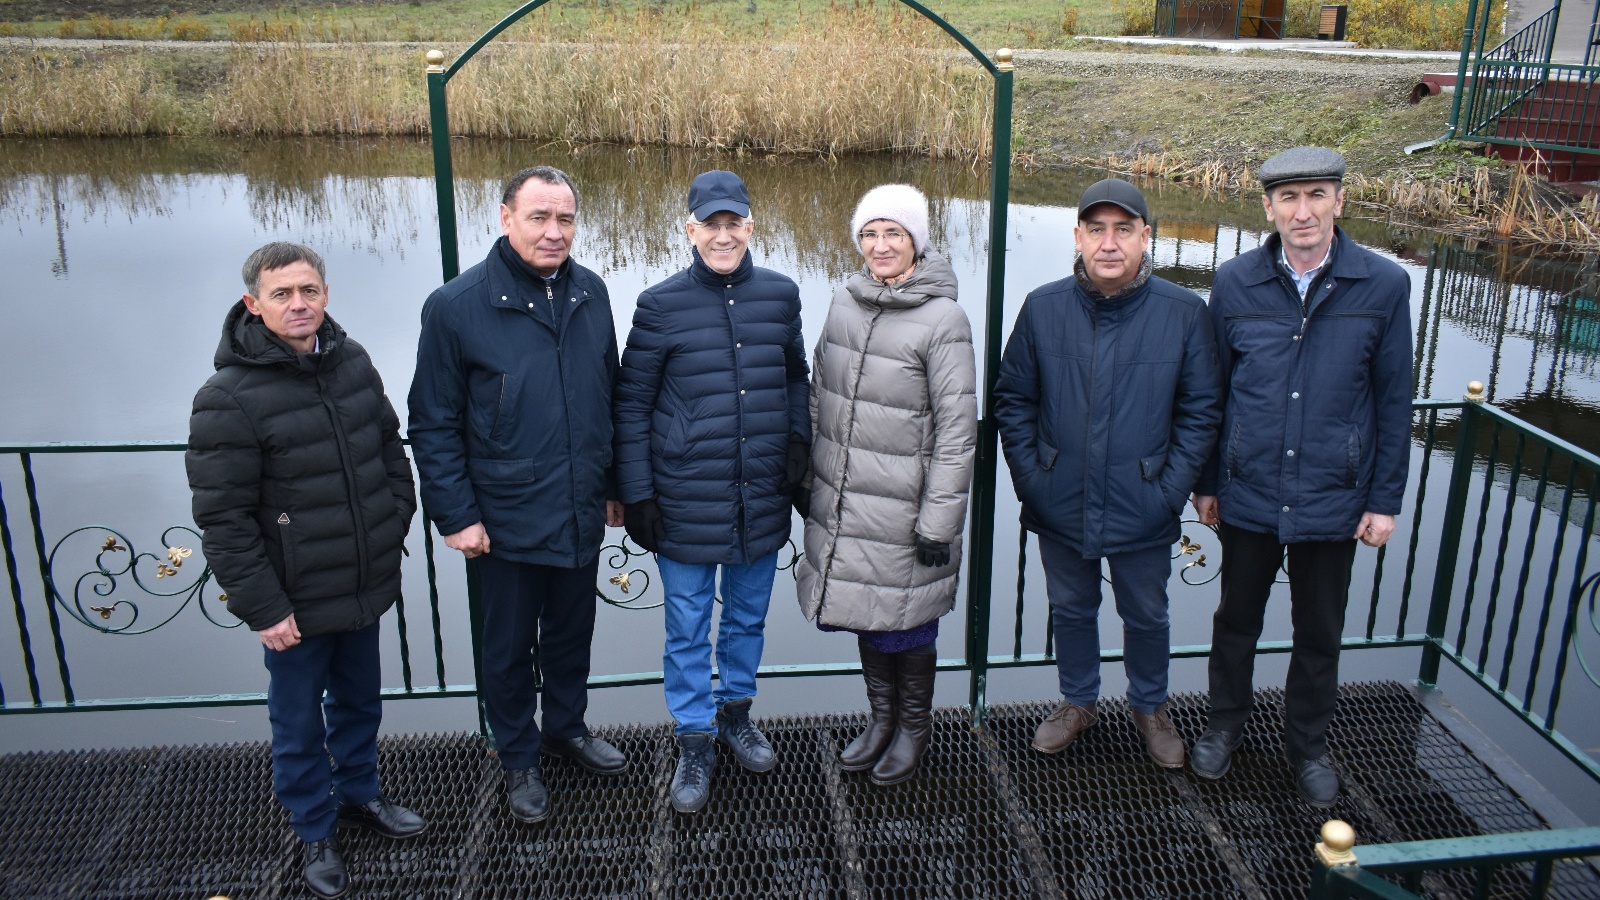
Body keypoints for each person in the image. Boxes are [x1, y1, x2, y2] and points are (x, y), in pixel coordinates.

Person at [187, 242, 426, 899]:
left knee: (360, 703)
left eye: (309, 291)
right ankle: (313, 828)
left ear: (325, 294)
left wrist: (392, 518)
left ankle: (359, 796)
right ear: (253, 304)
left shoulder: (350, 362)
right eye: (283, 294)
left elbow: (387, 446)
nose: (299, 305)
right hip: (293, 599)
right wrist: (263, 607)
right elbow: (224, 519)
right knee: (297, 723)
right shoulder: (227, 397)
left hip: (360, 581)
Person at [1190, 146, 1412, 808]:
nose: (1304, 211)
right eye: (1289, 198)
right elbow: (1213, 392)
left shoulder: (1382, 284)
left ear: (1340, 201)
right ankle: (1224, 726)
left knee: (1320, 630)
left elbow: (1394, 399)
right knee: (1236, 621)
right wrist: (1208, 482)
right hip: (1250, 489)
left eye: (1317, 195)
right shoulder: (1234, 283)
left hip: (1333, 495)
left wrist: (1384, 499)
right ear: (1268, 207)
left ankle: (1307, 746)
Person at [408, 166, 626, 827]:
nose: (553, 232)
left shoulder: (590, 291)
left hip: (579, 502)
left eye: (565, 219)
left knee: (571, 634)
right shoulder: (457, 305)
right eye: (539, 217)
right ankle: (518, 757)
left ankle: (566, 728)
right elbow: (432, 420)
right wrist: (458, 513)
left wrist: (613, 485)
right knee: (506, 648)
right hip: (501, 516)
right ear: (506, 218)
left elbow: (607, 393)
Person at [994, 179, 1222, 769]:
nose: (1110, 243)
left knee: (1146, 612)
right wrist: (1033, 480)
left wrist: (1168, 489)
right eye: (1097, 229)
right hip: (1059, 498)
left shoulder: (1183, 313)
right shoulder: (1044, 308)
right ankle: (1079, 701)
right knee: (1070, 608)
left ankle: (1150, 705)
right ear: (1078, 236)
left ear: (1147, 237)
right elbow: (1013, 401)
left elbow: (1201, 411)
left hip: (1143, 499)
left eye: (1124, 229)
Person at [613, 169, 810, 814]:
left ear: (751, 226)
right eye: (711, 224)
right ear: (690, 229)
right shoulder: (659, 304)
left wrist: (797, 446)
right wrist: (637, 492)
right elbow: (633, 404)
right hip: (684, 497)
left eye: (735, 223)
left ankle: (736, 715)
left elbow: (794, 379)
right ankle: (694, 737)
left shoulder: (781, 295)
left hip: (758, 493)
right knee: (689, 625)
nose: (723, 235)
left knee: (748, 617)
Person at [795, 184, 976, 785]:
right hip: (848, 504)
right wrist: (812, 480)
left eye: (893, 233)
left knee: (910, 623)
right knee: (869, 615)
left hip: (907, 512)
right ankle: (881, 719)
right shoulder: (844, 304)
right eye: (869, 234)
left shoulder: (943, 319)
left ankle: (914, 728)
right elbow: (821, 395)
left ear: (916, 241)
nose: (879, 245)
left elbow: (957, 431)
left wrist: (938, 524)